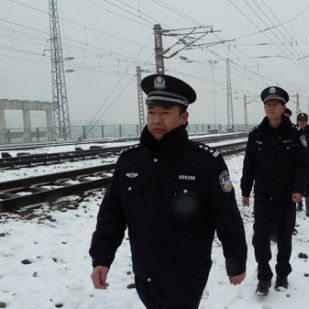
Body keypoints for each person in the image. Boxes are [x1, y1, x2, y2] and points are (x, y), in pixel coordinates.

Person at [89, 74, 247, 309]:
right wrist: (101, 258)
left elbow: (227, 216)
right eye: (152, 112)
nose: (156, 119)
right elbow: (112, 214)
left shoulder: (206, 163)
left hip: (187, 272)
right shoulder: (129, 161)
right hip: (145, 270)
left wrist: (235, 261)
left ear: (184, 117)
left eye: (165, 112)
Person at [241, 86, 309, 296]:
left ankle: (282, 274)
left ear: (283, 107)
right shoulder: (256, 135)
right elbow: (249, 165)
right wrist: (245, 191)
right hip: (262, 196)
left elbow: (304, 165)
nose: (271, 108)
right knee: (260, 239)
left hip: (286, 197)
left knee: (284, 238)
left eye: (275, 104)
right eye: (268, 104)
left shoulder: (296, 134)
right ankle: (264, 277)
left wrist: (299, 190)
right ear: (264, 108)